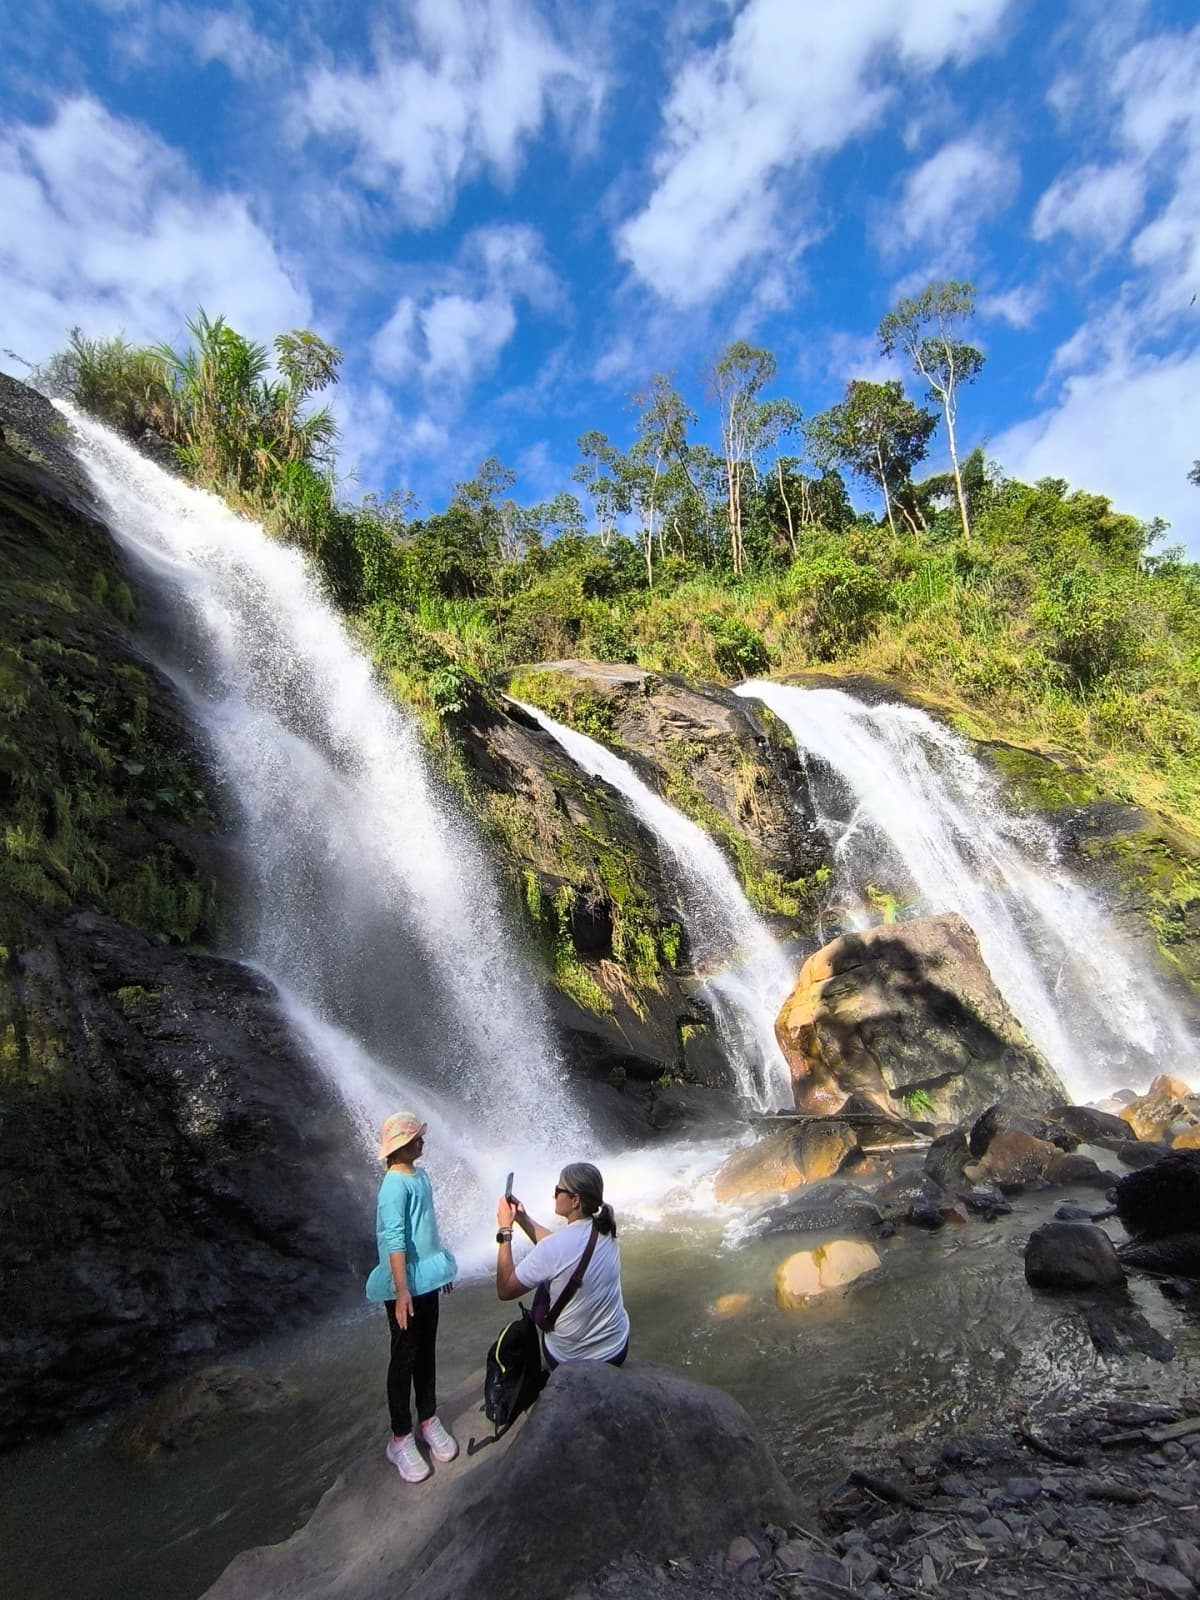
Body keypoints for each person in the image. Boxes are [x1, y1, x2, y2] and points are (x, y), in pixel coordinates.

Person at [366, 1111, 458, 1483]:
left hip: (426, 1279)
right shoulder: (393, 1186)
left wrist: (441, 1267)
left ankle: (428, 1418)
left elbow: (427, 1227)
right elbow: (394, 1239)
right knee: (403, 1357)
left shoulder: (420, 1176)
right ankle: (400, 1438)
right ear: (400, 1146)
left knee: (426, 1350)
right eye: (415, 1138)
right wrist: (402, 1290)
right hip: (404, 1285)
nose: (422, 1141)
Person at [495, 1162, 630, 1367]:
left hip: (569, 1359)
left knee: (545, 1285)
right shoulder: (606, 1229)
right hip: (616, 1349)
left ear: (575, 1200)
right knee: (556, 1273)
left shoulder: (554, 1248)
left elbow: (505, 1289)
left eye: (558, 1191)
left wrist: (505, 1229)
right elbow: (561, 1252)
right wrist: (523, 1218)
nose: (554, 1195)